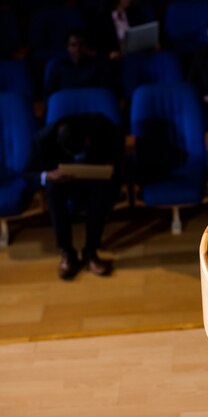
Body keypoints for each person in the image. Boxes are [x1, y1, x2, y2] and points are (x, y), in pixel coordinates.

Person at [27, 113, 125, 280]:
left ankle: (91, 252)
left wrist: (111, 164)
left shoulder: (103, 127)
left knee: (101, 190)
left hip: (94, 178)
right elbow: (29, 173)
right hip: (63, 181)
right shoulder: (42, 140)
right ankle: (67, 252)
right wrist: (47, 175)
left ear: (87, 139)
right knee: (52, 189)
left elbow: (120, 149)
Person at [44, 28, 112, 98]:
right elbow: (50, 95)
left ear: (87, 46)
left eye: (81, 44)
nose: (78, 49)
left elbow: (105, 92)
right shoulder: (57, 67)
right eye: (73, 45)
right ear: (68, 47)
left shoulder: (98, 65)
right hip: (67, 105)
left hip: (92, 105)